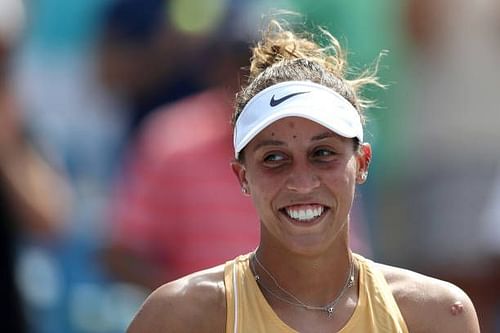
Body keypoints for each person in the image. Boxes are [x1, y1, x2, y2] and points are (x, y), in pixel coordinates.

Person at [127, 19, 480, 332]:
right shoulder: (177, 317)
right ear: (242, 176)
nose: (302, 181)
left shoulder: (438, 315)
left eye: (323, 154)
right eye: (275, 158)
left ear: (362, 163)